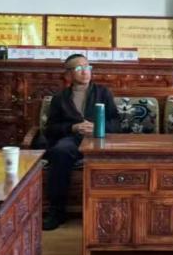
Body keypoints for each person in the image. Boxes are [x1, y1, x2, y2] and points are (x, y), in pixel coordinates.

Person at [41, 54, 120, 231]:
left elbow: (116, 122)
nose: (85, 71)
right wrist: (73, 127)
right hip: (72, 140)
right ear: (68, 74)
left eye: (87, 67)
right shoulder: (60, 98)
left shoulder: (102, 93)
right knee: (60, 152)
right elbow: (50, 129)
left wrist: (98, 127)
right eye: (79, 68)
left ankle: (107, 212)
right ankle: (56, 211)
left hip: (99, 139)